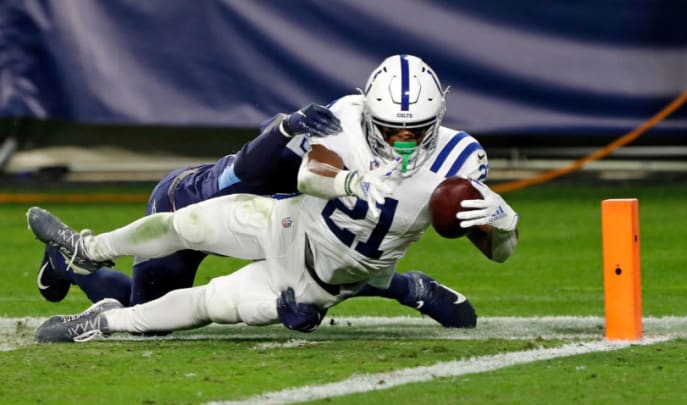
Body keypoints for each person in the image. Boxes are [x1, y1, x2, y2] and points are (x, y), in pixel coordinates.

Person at [28, 54, 519, 343]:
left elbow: (500, 252)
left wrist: (504, 223)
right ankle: (83, 249)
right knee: (189, 222)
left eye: (417, 131)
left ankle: (104, 322)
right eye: (392, 130)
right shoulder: (347, 114)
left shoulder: (461, 158)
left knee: (208, 303)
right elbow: (309, 173)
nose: (403, 143)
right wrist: (349, 183)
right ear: (369, 112)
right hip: (290, 220)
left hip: (318, 280)